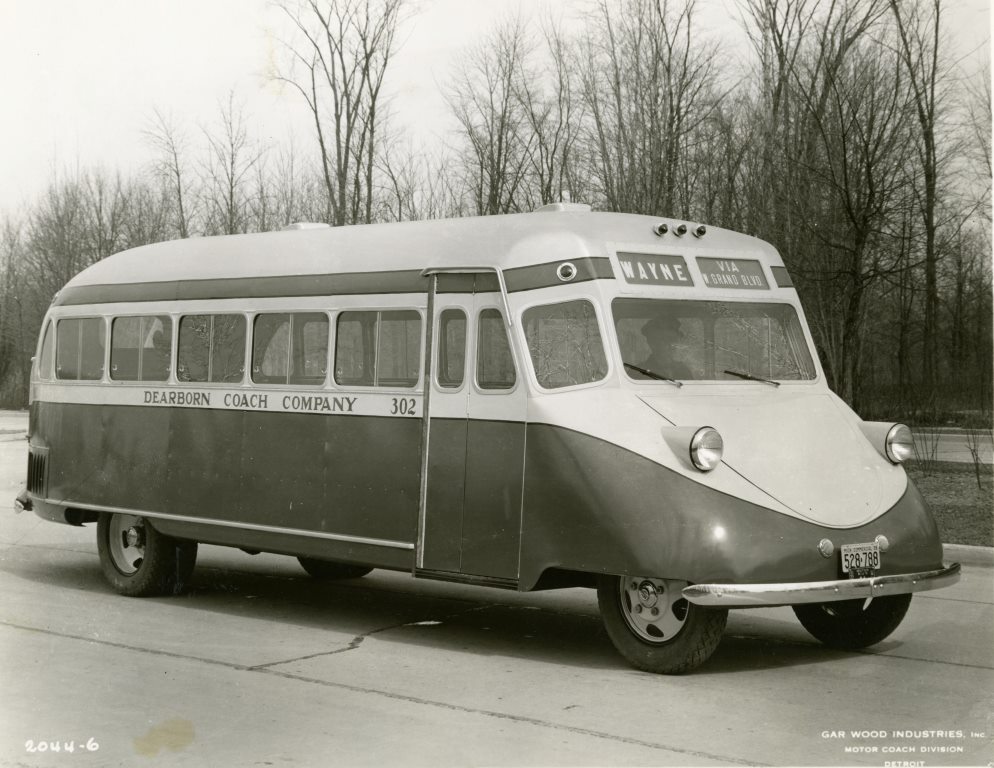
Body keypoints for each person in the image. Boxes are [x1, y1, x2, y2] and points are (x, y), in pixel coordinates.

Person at [637, 316, 692, 380]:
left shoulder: (683, 370)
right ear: (653, 343)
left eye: (674, 340)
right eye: (667, 340)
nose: (672, 345)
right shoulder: (638, 372)